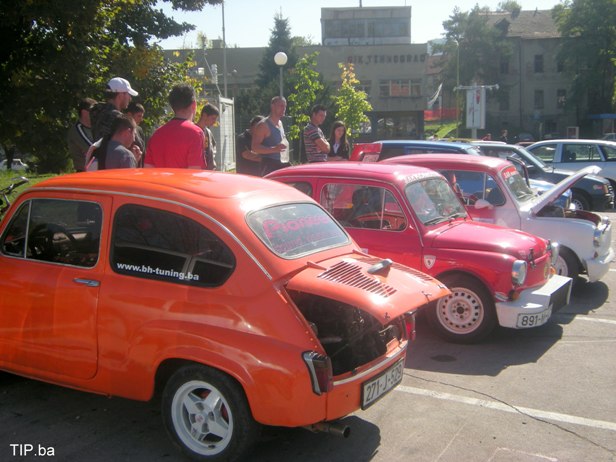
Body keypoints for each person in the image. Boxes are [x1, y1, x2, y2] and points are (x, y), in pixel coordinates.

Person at [144, 83, 205, 169]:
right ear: (194, 105)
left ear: (173, 106)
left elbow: (148, 168)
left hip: (159, 182)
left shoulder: (157, 134)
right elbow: (194, 171)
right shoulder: (195, 133)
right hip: (182, 182)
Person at [90, 77, 138, 169]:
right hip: (114, 165)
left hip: (95, 163)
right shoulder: (117, 118)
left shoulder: (95, 111)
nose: (130, 98)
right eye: (128, 94)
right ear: (120, 95)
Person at [251, 96, 289, 176]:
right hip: (269, 166)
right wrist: (274, 149)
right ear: (272, 106)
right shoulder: (263, 125)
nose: (284, 108)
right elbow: (255, 147)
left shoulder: (280, 123)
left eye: (285, 106)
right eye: (281, 106)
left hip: (282, 163)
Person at [67, 97, 96, 172]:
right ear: (84, 112)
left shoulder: (95, 127)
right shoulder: (76, 130)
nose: (96, 114)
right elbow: (92, 150)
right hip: (84, 174)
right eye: (94, 111)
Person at [196, 103, 219, 170]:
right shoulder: (193, 132)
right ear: (204, 115)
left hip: (208, 171)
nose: (214, 122)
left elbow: (212, 149)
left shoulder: (208, 132)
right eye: (213, 118)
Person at [124, 102, 146, 166]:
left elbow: (144, 151)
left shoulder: (139, 130)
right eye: (139, 116)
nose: (141, 119)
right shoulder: (123, 131)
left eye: (142, 116)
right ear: (129, 115)